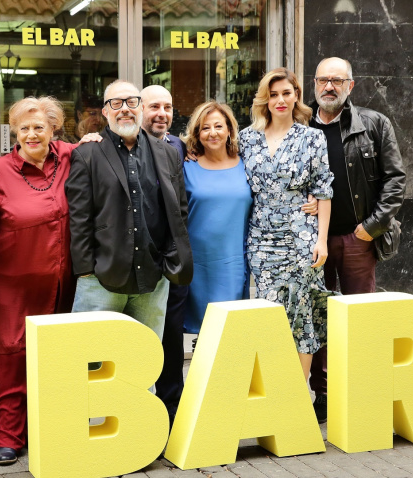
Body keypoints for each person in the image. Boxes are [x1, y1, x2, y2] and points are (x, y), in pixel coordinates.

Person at [0, 96, 102, 466]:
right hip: (11, 285)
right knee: (12, 356)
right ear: (14, 131)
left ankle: (51, 426)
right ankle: (10, 435)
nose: (31, 134)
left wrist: (96, 140)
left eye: (39, 127)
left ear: (53, 129)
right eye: (24, 128)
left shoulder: (72, 157)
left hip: (62, 283)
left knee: (59, 360)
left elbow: (101, 156)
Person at [308, 57, 406, 423]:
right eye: (323, 80)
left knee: (359, 318)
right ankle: (324, 394)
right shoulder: (301, 125)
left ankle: (360, 391)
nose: (329, 86)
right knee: (318, 319)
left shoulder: (374, 123)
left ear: (351, 85)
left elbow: (395, 179)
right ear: (314, 84)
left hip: (356, 239)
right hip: (313, 241)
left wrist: (372, 226)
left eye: (337, 80)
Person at [66, 80, 193, 342]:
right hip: (101, 279)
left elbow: (178, 211)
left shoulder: (168, 154)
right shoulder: (87, 154)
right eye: (116, 103)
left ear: (141, 107)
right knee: (92, 358)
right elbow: (79, 218)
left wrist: (168, 261)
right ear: (106, 112)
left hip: (153, 280)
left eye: (131, 102)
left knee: (146, 359)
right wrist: (86, 269)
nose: (124, 108)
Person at [239, 67, 335, 382]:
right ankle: (275, 387)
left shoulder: (312, 137)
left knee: (301, 311)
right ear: (265, 100)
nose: (280, 100)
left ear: (296, 96)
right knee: (270, 314)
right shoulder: (247, 138)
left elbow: (324, 190)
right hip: (260, 239)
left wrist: (321, 240)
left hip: (301, 237)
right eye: (273, 94)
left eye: (286, 93)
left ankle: (298, 393)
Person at [139, 84, 188, 428]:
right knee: (142, 340)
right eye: (154, 106)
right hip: (138, 261)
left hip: (172, 259)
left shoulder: (178, 146)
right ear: (139, 109)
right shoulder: (119, 145)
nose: (162, 113)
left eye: (167, 107)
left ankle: (171, 409)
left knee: (171, 336)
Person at [181, 101, 253, 333]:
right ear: (197, 134)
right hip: (198, 263)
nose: (212, 133)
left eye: (218, 126)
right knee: (202, 330)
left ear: (229, 130)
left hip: (234, 261)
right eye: (205, 128)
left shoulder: (247, 163)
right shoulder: (185, 166)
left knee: (230, 330)